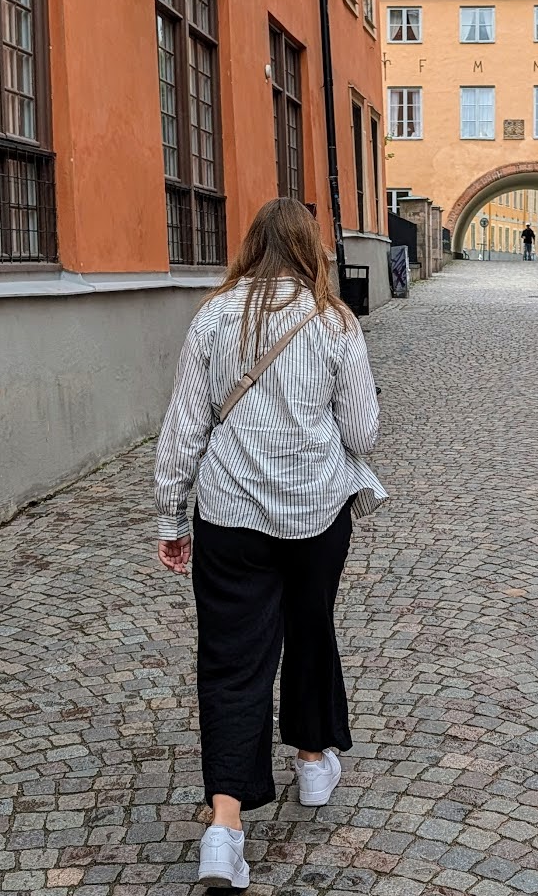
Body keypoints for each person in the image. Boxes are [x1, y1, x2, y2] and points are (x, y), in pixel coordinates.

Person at [154, 197, 387, 890]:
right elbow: (364, 431)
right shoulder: (334, 319)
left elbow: (185, 425)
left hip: (229, 513)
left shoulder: (213, 316)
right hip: (316, 512)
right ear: (311, 248)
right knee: (309, 627)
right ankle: (313, 763)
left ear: (252, 246)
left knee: (231, 655)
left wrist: (171, 517)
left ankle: (224, 828)